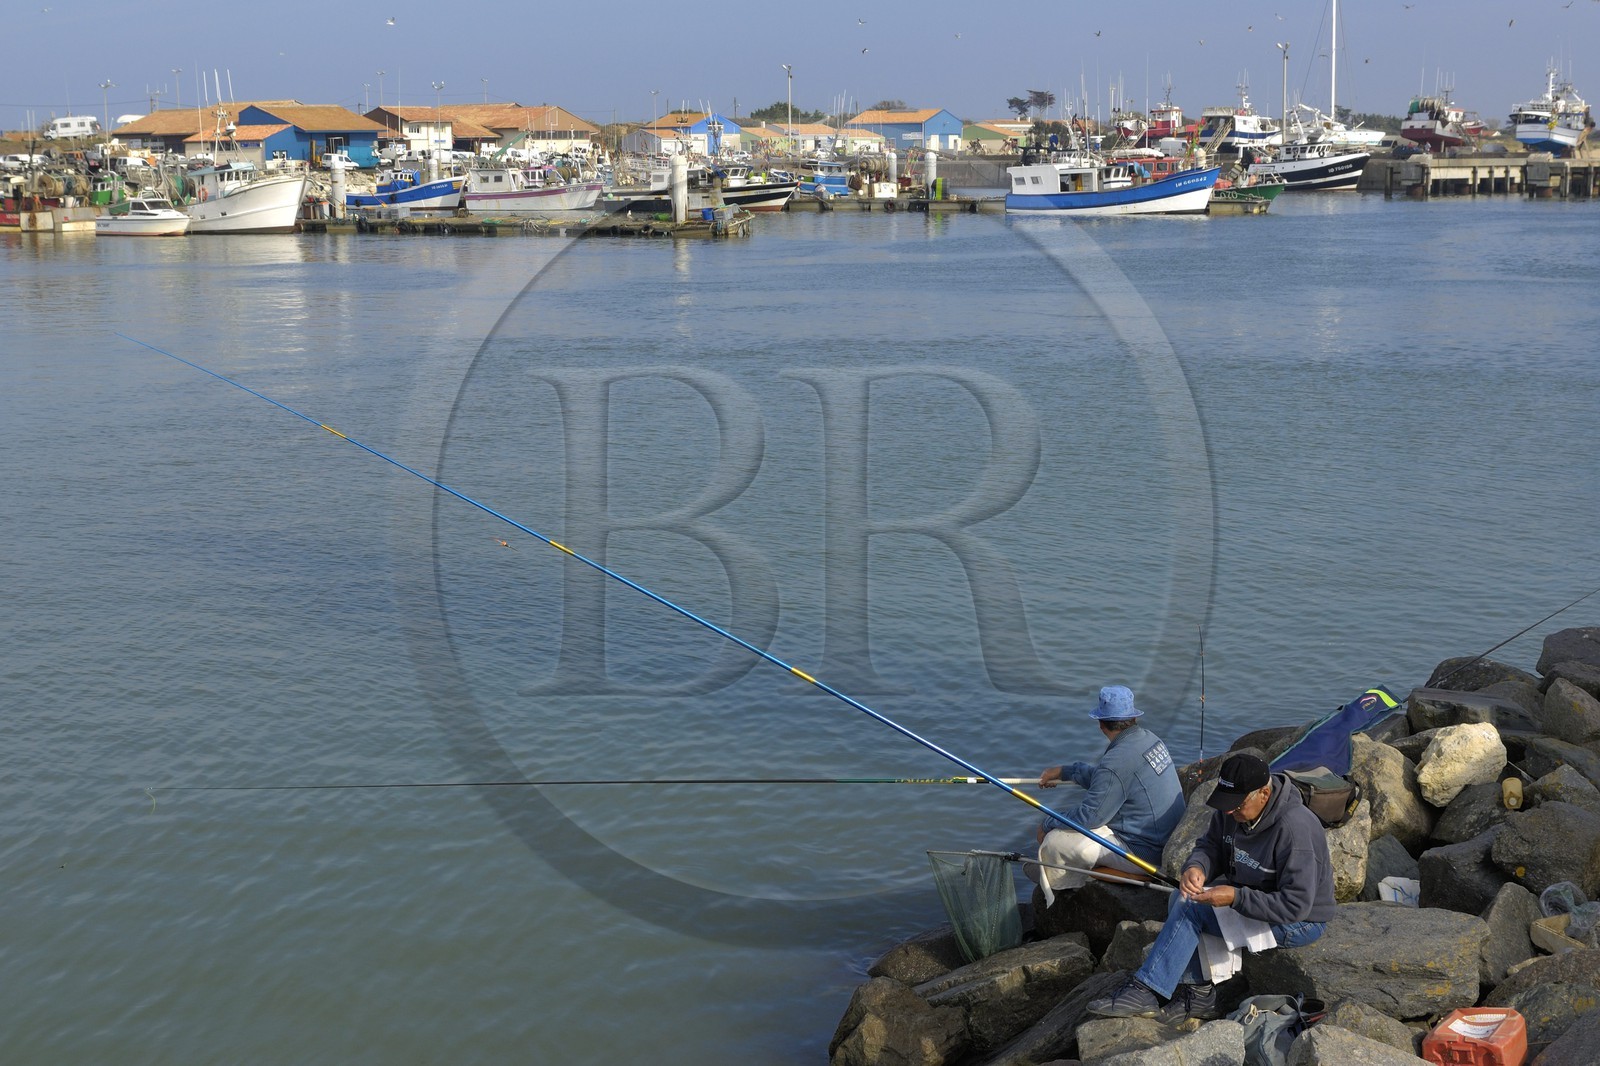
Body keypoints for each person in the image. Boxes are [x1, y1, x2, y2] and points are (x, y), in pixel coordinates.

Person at [1087, 752, 1337, 1024]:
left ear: (1263, 794)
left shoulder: (1295, 828)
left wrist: (1235, 898)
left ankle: (1147, 991)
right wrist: (1196, 868)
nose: (1229, 811)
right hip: (1253, 896)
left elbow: (1295, 905)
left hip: (1301, 922)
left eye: (1236, 805)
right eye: (1226, 803)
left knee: (1190, 911)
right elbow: (1211, 846)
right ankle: (1198, 994)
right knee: (1181, 897)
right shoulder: (1231, 811)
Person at [1033, 685, 1184, 895]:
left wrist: (1048, 823)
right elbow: (1110, 780)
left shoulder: (1116, 761)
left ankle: (1066, 885)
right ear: (1133, 718)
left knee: (1055, 841)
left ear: (1101, 723)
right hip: (1170, 839)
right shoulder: (1149, 738)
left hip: (1146, 853)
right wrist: (1067, 772)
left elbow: (1091, 817)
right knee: (1070, 822)